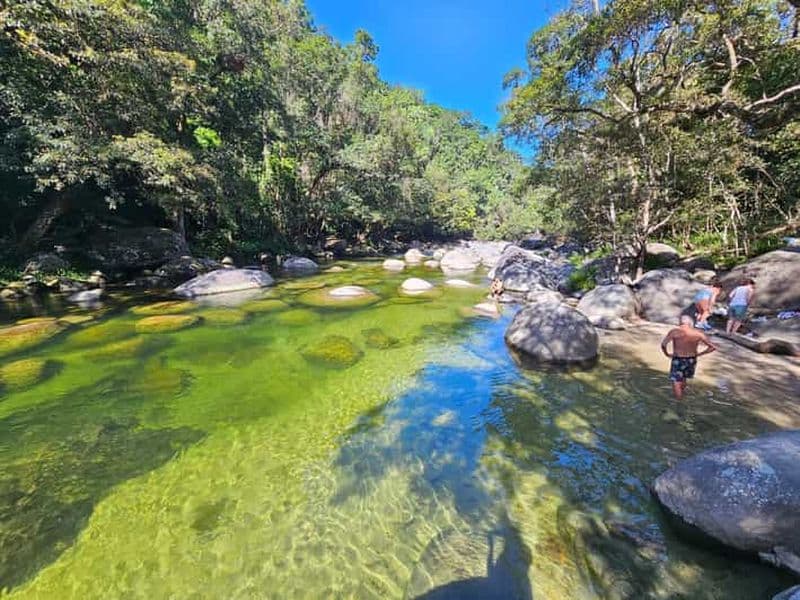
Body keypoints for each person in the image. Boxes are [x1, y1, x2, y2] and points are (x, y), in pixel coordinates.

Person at [661, 315, 718, 400]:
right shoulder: (698, 333)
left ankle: (679, 401)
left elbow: (663, 344)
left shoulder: (675, 331)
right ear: (691, 323)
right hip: (692, 359)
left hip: (678, 359)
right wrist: (699, 354)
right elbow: (712, 347)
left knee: (676, 381)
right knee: (684, 377)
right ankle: (681, 393)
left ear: (680, 322)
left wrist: (667, 354)